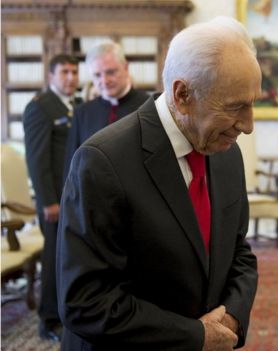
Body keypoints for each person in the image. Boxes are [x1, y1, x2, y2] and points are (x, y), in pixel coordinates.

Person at [57, 17, 260, 350]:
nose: (249, 125)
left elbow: (238, 252)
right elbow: (86, 301)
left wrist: (232, 317)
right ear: (182, 96)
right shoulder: (101, 162)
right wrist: (195, 336)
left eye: (253, 103)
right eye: (237, 107)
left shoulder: (226, 151)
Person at [22, 53, 81, 342]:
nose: (70, 78)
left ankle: (68, 312)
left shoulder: (76, 105)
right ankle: (48, 320)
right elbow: (37, 160)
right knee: (54, 258)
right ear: (51, 77)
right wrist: (48, 201)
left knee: (71, 257)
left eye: (74, 72)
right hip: (55, 201)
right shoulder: (41, 107)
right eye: (64, 73)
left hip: (75, 198)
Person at [64, 41, 148, 177]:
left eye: (110, 72)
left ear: (125, 68)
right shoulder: (83, 113)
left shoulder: (148, 106)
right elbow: (72, 165)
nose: (104, 80)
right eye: (97, 75)